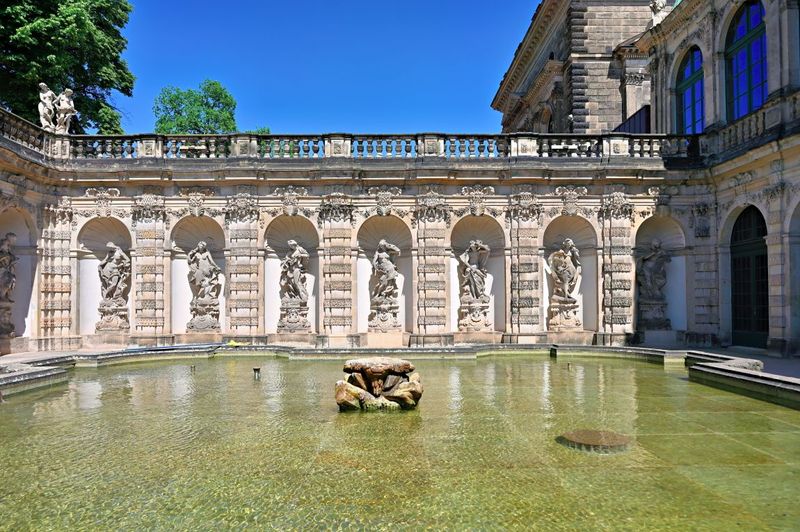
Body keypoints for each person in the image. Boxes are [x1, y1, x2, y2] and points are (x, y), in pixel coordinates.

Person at [0, 233, 18, 302]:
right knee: (7, 281)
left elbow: (10, 254)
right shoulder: (3, 243)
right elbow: (3, 254)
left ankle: (4, 296)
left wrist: (13, 259)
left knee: (10, 280)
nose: (14, 241)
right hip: (2, 268)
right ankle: (2, 296)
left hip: (6, 268)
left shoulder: (8, 246)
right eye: (14, 239)